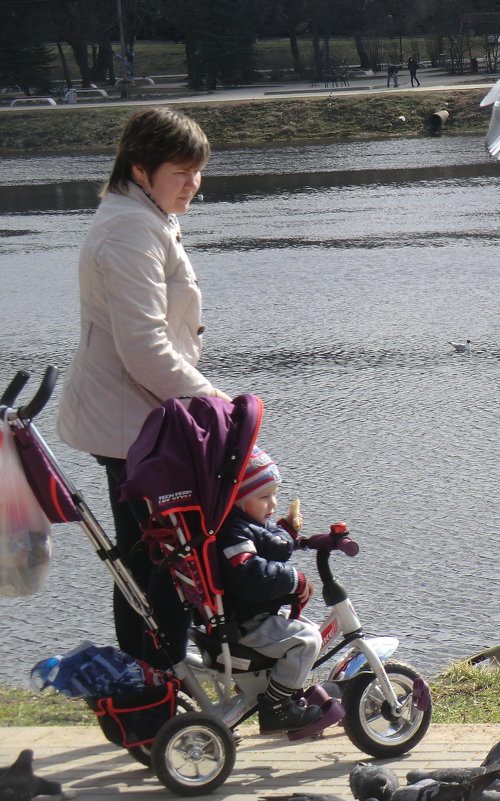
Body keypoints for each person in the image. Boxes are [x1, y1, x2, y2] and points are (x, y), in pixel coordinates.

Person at [56, 107, 230, 667]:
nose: (193, 184)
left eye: (197, 171)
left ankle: (152, 681)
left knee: (149, 560)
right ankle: (157, 686)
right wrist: (214, 402)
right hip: (136, 425)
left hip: (136, 421)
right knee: (162, 560)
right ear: (140, 168)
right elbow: (144, 350)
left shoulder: (138, 216)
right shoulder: (132, 228)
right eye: (181, 172)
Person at [217, 447, 324, 734]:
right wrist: (294, 579)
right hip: (245, 621)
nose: (273, 503)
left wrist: (286, 532)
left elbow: (268, 544)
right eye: (264, 497)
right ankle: (275, 706)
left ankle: (285, 688)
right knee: (308, 640)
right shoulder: (232, 534)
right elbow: (250, 574)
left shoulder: (242, 525)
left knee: (307, 627)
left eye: (275, 494)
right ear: (237, 499)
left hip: (251, 612)